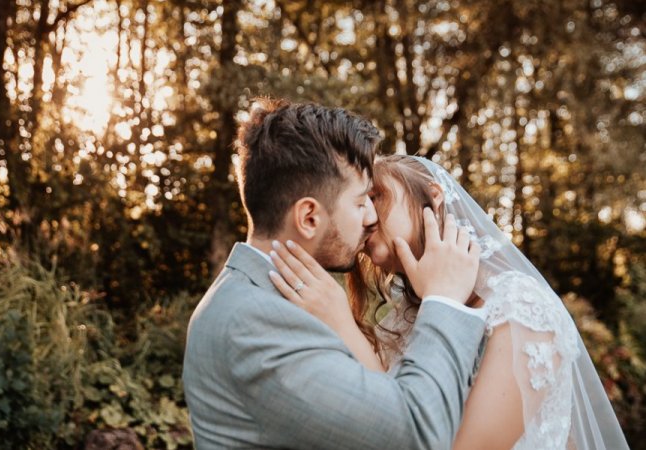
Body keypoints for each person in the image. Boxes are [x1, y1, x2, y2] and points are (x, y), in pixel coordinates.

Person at [182, 99, 489, 449]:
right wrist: (444, 299)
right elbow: (415, 434)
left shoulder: (262, 296)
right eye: (360, 202)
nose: (372, 217)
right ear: (309, 218)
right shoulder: (253, 321)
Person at [269, 154, 630, 449]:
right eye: (360, 202)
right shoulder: (401, 316)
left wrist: (341, 323)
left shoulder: (519, 308)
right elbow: (386, 418)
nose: (366, 217)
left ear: (433, 196)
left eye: (376, 196)